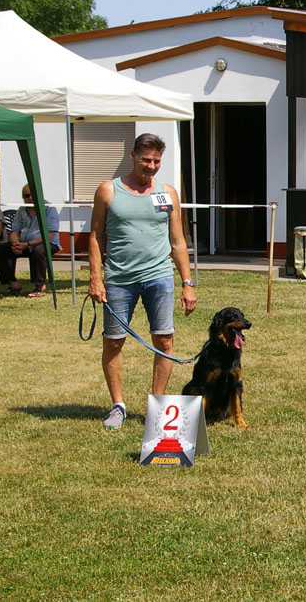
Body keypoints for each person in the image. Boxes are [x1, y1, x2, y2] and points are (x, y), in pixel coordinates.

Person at [88, 133, 196, 429]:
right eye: (146, 160)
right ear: (133, 156)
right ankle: (118, 406)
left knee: (164, 340)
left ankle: (158, 407)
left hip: (159, 277)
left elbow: (177, 241)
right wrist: (96, 278)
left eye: (157, 161)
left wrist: (187, 283)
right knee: (113, 342)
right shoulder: (108, 190)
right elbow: (96, 236)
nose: (151, 166)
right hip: (119, 279)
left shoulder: (167, 193)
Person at [0, 184, 60, 298]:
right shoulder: (21, 210)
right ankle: (13, 284)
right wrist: (16, 244)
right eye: (26, 196)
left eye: (33, 195)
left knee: (38, 250)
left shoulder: (49, 209)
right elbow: (14, 231)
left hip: (47, 244)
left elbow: (49, 236)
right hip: (23, 243)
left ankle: (40, 287)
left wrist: (27, 244)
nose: (30, 198)